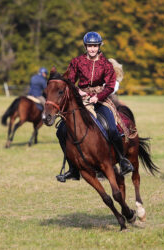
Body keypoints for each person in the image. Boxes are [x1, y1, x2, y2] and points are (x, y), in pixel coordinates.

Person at [55, 31, 134, 182]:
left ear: (99, 46)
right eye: (90, 46)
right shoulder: (76, 61)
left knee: (112, 128)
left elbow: (111, 85)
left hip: (101, 99)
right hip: (81, 99)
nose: (92, 49)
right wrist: (79, 92)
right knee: (61, 131)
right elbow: (70, 81)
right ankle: (72, 169)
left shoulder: (106, 64)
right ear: (85, 46)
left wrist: (98, 97)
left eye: (95, 46)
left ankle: (122, 160)